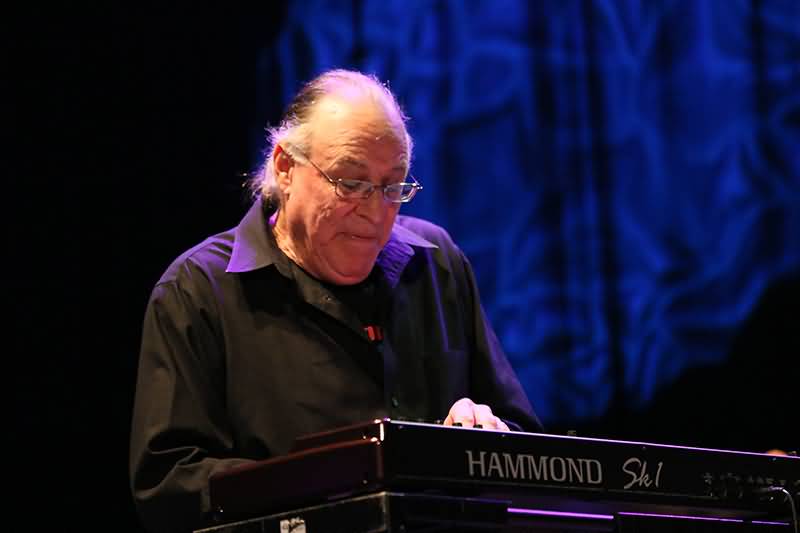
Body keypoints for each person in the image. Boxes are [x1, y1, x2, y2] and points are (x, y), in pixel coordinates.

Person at [129, 68, 543, 533]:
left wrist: (487, 436)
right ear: (285, 168)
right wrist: (327, 482)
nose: (376, 212)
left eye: (393, 187)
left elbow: (526, 446)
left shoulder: (437, 264)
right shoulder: (198, 290)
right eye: (350, 183)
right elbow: (170, 485)